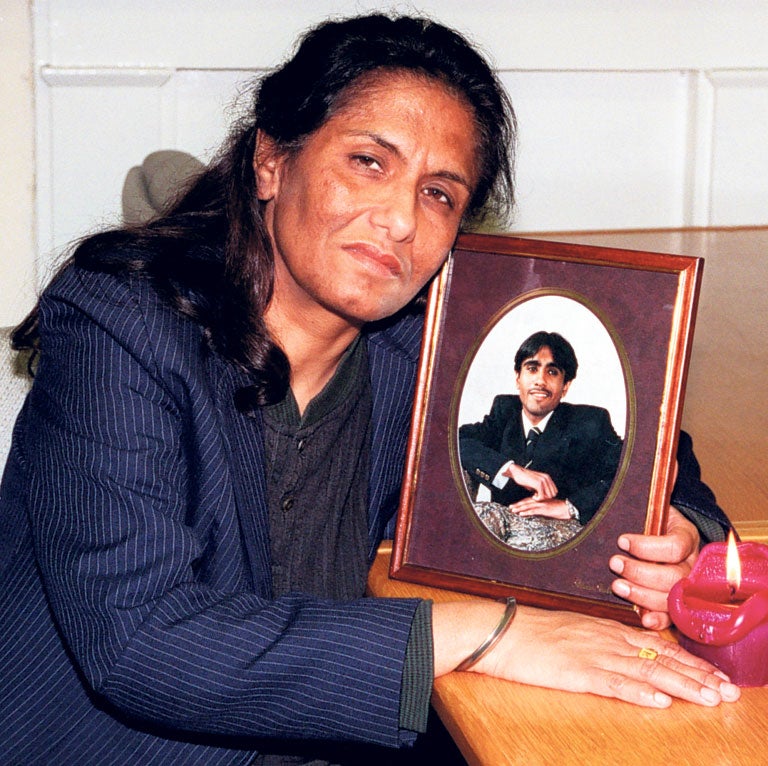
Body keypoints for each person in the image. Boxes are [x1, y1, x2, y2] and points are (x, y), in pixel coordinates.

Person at [0, 13, 738, 766]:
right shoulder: (118, 326)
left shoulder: (425, 337)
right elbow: (143, 641)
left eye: (439, 194)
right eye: (368, 162)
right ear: (271, 162)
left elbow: (658, 452)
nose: (397, 221)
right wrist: (491, 634)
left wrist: (680, 533)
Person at [460, 330, 622, 524]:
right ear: (517, 377)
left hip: (563, 533)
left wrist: (570, 506)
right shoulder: (504, 411)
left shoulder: (591, 422)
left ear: (565, 386)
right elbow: (454, 440)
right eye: (532, 368)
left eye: (552, 372)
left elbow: (630, 471)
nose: (540, 381)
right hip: (502, 530)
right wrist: (512, 470)